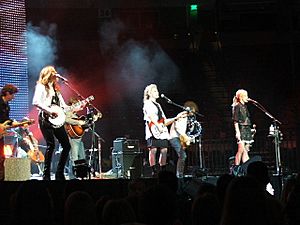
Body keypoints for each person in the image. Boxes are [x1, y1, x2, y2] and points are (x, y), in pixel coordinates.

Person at [32, 65, 71, 180]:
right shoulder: (41, 86)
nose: (55, 74)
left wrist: (76, 107)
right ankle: (46, 174)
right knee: (51, 145)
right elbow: (36, 102)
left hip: (57, 121)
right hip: (45, 119)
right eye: (52, 72)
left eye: (55, 72)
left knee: (66, 145)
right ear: (47, 74)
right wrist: (49, 111)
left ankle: (59, 172)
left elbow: (64, 107)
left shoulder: (56, 90)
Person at [143, 84, 182, 176]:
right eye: (155, 91)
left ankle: (162, 170)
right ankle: (154, 171)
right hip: (153, 130)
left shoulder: (158, 105)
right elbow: (151, 117)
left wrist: (175, 118)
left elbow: (164, 121)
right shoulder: (147, 103)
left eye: (157, 91)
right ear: (149, 93)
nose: (157, 92)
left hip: (162, 132)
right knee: (153, 150)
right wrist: (158, 125)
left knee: (164, 150)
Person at [169, 101, 200, 178]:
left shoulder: (187, 117)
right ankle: (179, 175)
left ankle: (180, 173)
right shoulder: (182, 116)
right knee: (183, 156)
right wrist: (186, 137)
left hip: (179, 137)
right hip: (174, 137)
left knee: (182, 156)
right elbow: (178, 128)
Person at [232, 89, 255, 169]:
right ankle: (236, 168)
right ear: (241, 97)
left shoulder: (244, 106)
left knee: (245, 151)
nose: (247, 97)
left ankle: (246, 169)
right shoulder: (237, 106)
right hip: (241, 129)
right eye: (245, 96)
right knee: (241, 150)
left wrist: (251, 129)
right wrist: (237, 132)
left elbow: (246, 118)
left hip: (247, 128)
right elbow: (235, 121)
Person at [0, 84, 19, 180]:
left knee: (1, 158)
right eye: (13, 95)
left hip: (0, 135)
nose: (13, 97)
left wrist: (13, 123)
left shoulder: (7, 106)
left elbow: (5, 119)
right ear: (7, 93)